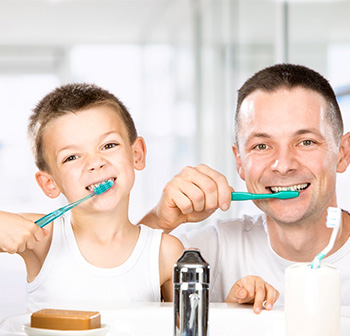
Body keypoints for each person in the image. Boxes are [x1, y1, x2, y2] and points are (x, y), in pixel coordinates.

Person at [0, 83, 275, 313]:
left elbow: (189, 335)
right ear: (49, 183)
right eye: (72, 157)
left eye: (108, 145)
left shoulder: (167, 252)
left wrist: (237, 307)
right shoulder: (42, 237)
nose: (95, 163)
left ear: (137, 154)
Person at [140, 63, 350, 310]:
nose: (283, 165)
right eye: (261, 146)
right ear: (239, 161)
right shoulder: (211, 251)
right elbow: (115, 289)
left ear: (343, 153)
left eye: (305, 142)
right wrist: (159, 221)